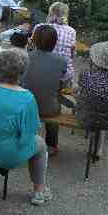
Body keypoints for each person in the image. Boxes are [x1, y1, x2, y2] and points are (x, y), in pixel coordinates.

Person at [0, 49, 51, 205]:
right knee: (40, 145)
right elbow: (29, 132)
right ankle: (39, 190)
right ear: (22, 71)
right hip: (6, 155)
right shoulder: (26, 97)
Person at [21, 25, 68, 157]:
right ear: (55, 42)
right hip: (49, 108)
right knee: (54, 99)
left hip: (26, 106)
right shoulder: (61, 61)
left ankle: (26, 139)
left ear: (34, 40)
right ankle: (52, 145)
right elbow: (65, 82)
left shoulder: (25, 57)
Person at [76, 42, 108, 158]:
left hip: (83, 118)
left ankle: (97, 149)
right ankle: (98, 150)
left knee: (93, 105)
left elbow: (80, 90)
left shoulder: (86, 74)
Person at [33, 2, 76, 83]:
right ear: (65, 15)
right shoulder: (72, 31)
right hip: (64, 75)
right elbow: (72, 55)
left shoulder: (40, 27)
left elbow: (32, 49)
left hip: (42, 71)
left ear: (50, 13)